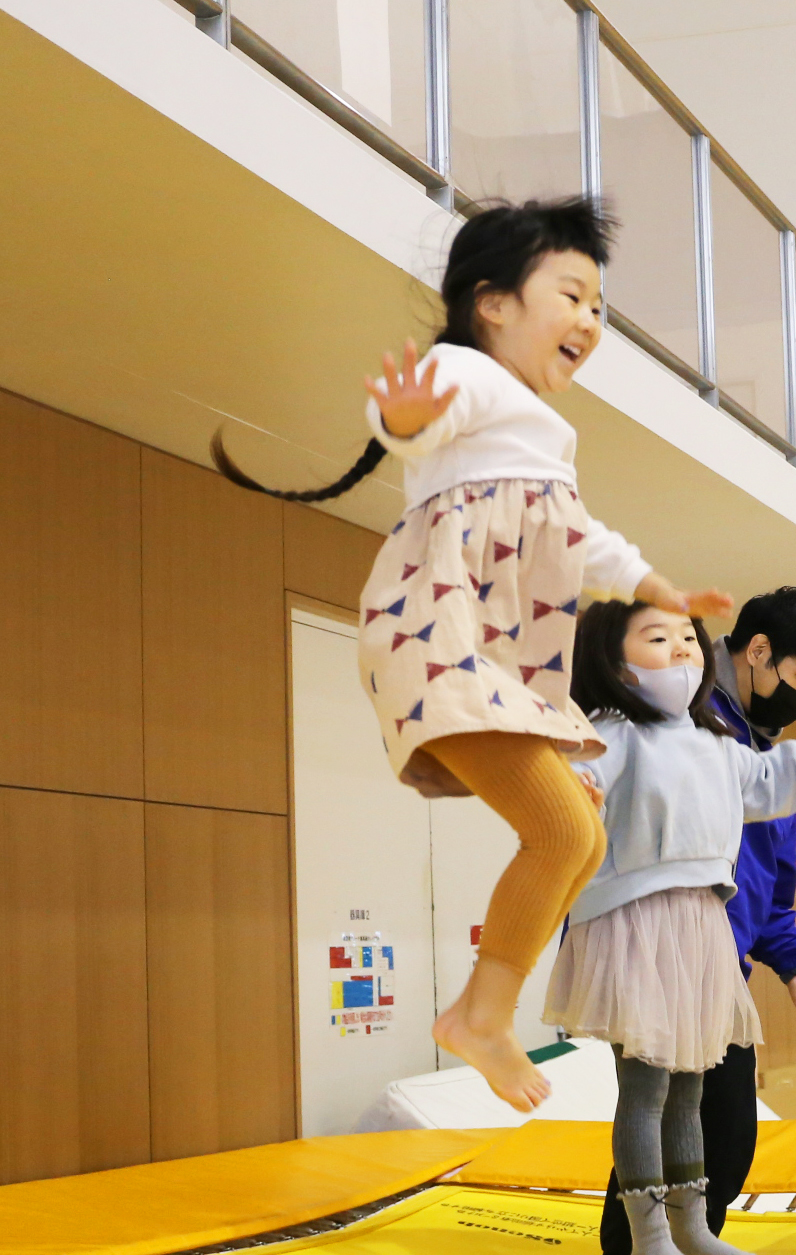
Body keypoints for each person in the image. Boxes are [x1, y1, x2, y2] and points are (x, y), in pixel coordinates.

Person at [211, 197, 728, 1111]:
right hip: (436, 636)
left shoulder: (543, 436)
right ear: (493, 303)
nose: (589, 320)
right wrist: (402, 418)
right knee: (566, 831)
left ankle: (479, 1016)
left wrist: (659, 590)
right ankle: (480, 1020)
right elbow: (411, 418)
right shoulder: (465, 372)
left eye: (599, 307)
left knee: (581, 833)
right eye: (571, 294)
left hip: (480, 657)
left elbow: (581, 538)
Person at [545, 602, 796, 1255]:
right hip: (644, 931)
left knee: (702, 1109)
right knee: (657, 1096)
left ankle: (686, 1239)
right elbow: (572, 793)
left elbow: (769, 828)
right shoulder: (639, 730)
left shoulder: (724, 740)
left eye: (686, 641)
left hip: (707, 938)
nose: (681, 651)